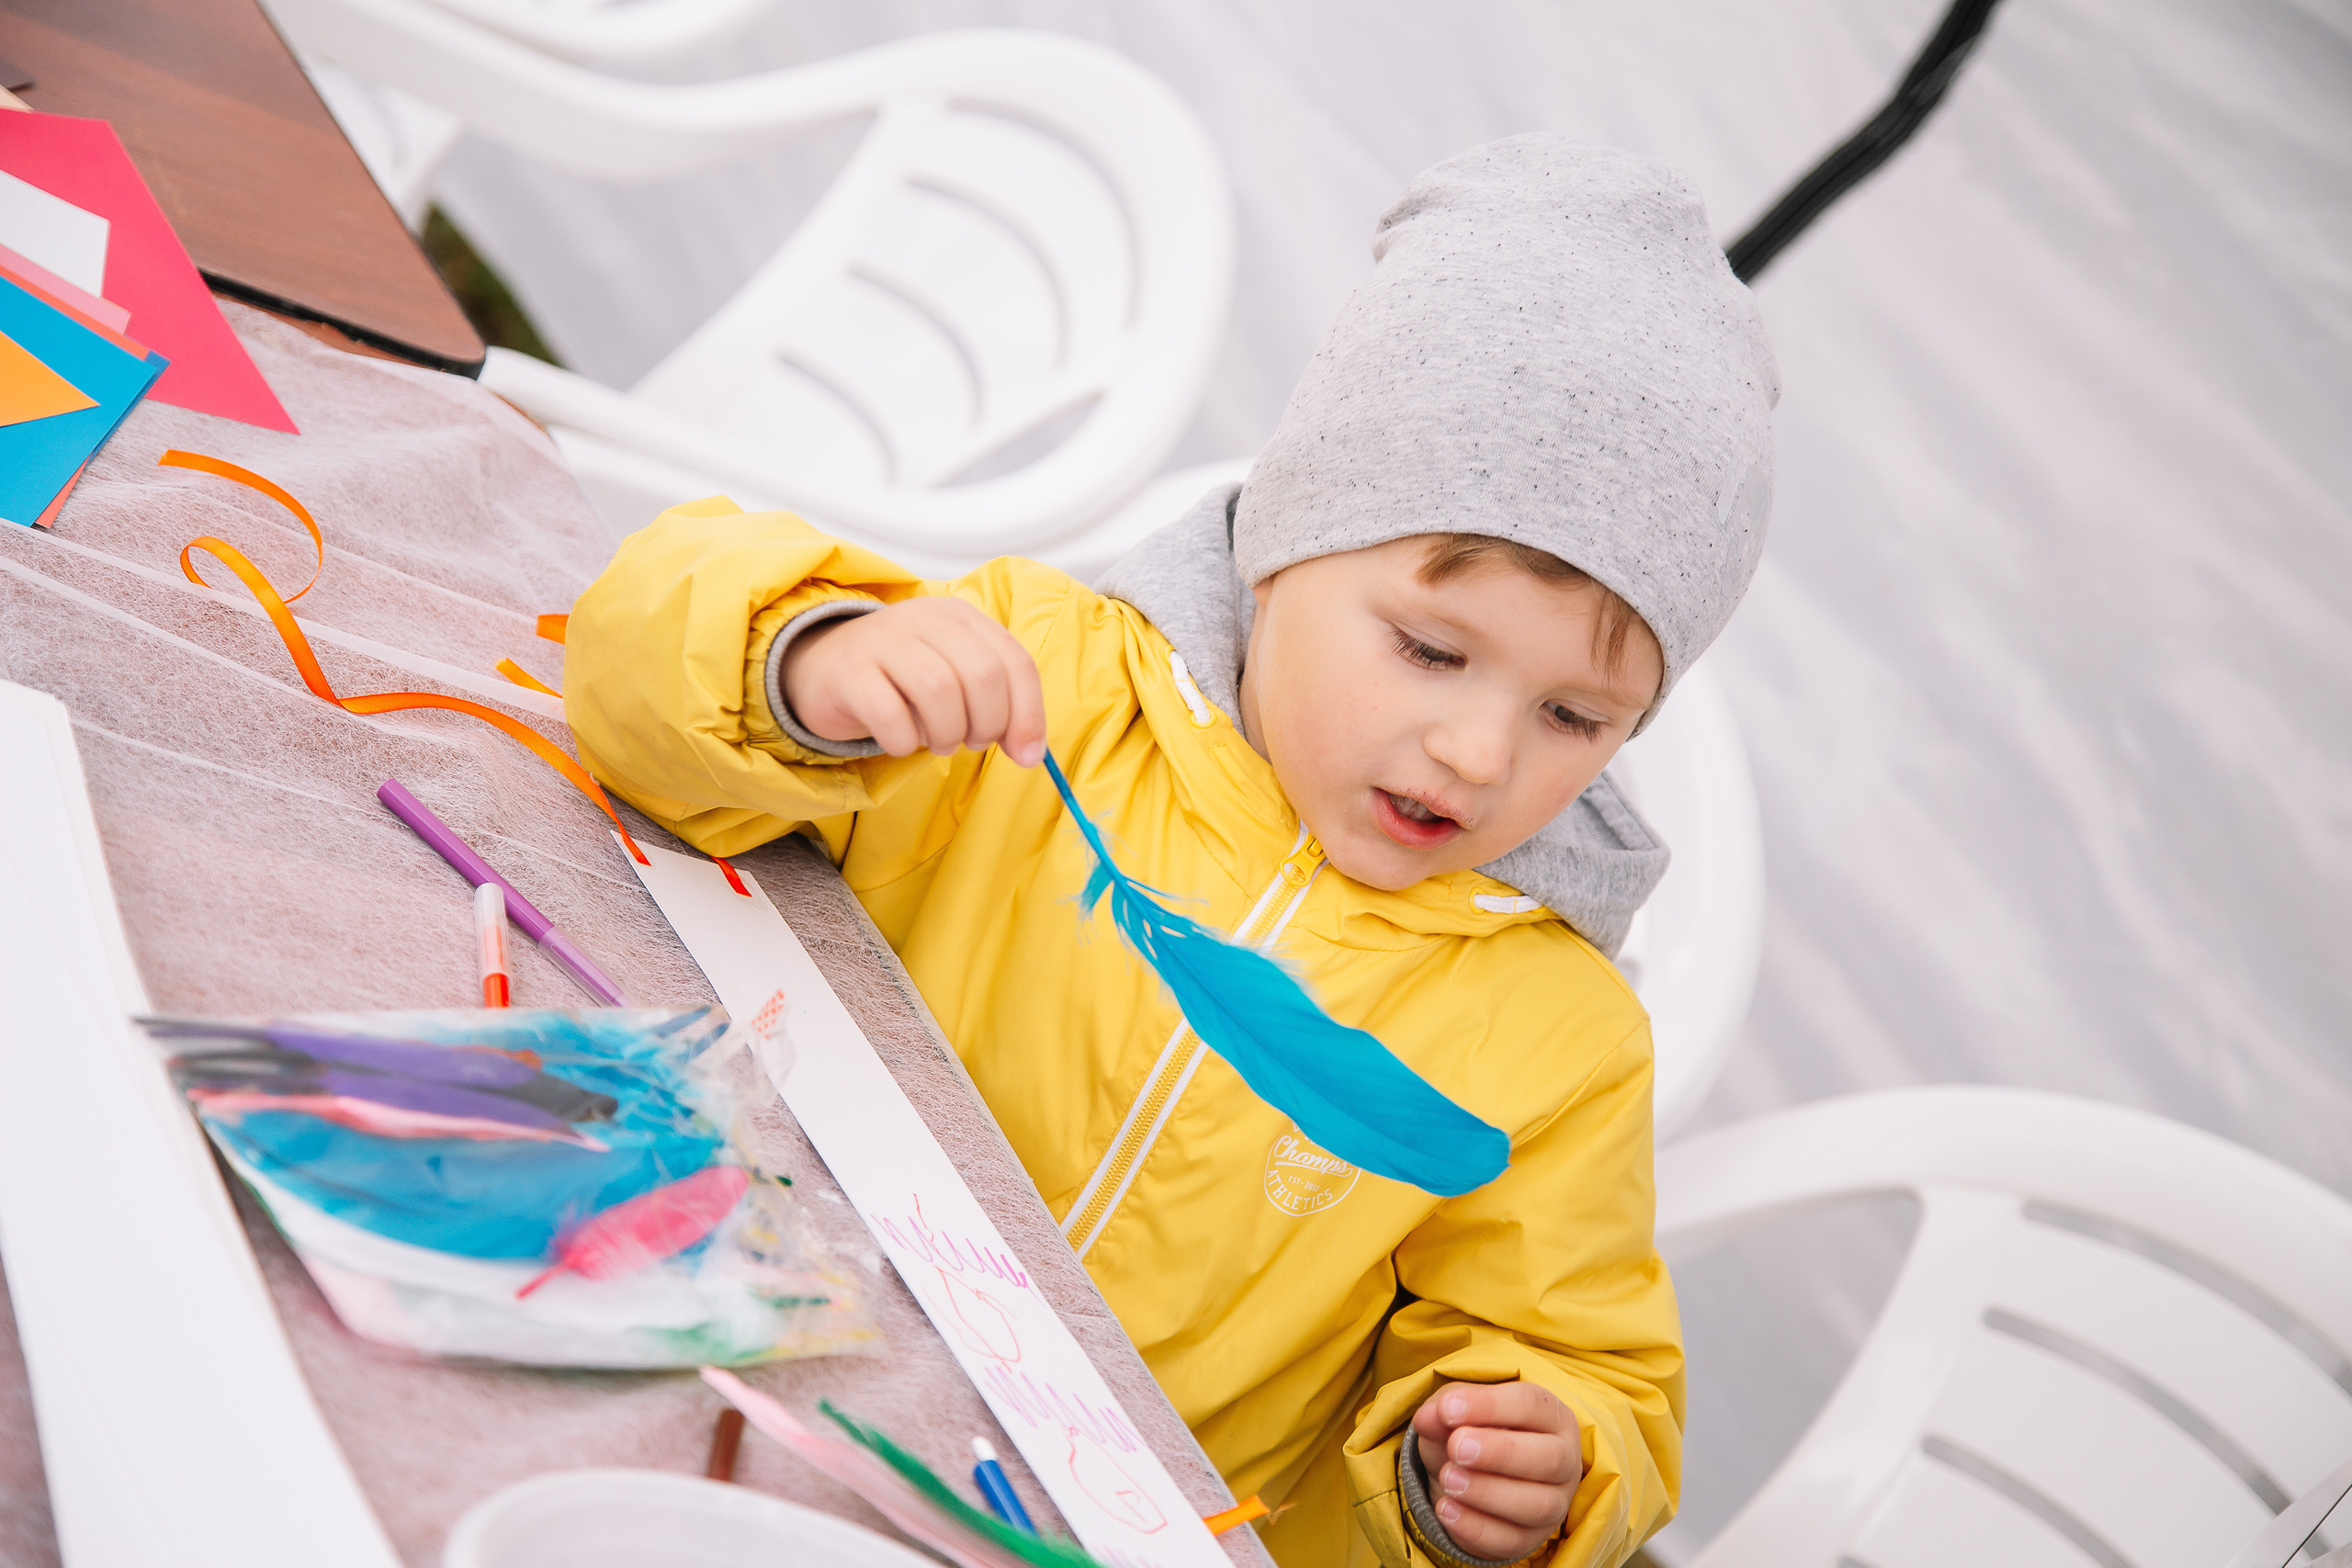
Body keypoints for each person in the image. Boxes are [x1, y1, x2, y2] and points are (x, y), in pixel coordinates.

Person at [563, 134, 1778, 1568]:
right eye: (1429, 649)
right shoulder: (1045, 687)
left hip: (1085, 1532)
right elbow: (635, 676)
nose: (1480, 754)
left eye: (1575, 717)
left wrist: (1535, 1464)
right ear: (1279, 549)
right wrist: (807, 663)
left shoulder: (1561, 1043)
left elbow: (1580, 1352)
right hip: (717, 1317)